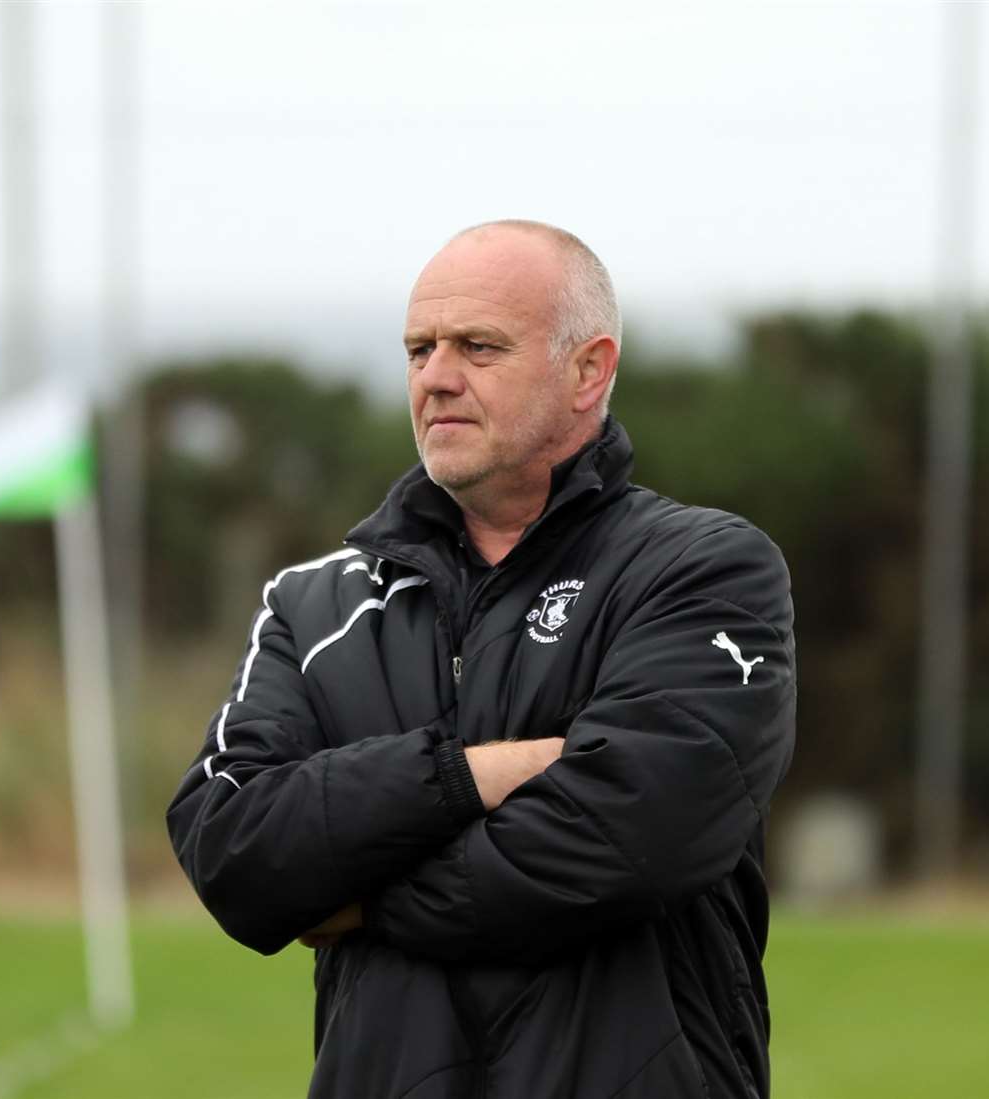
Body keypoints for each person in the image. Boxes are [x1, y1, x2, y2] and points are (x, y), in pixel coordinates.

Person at [167, 219, 796, 1099]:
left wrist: (362, 903)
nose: (436, 376)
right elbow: (232, 847)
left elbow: (636, 834)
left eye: (479, 346)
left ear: (590, 369)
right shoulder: (316, 607)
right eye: (419, 348)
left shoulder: (701, 567)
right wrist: (469, 775)